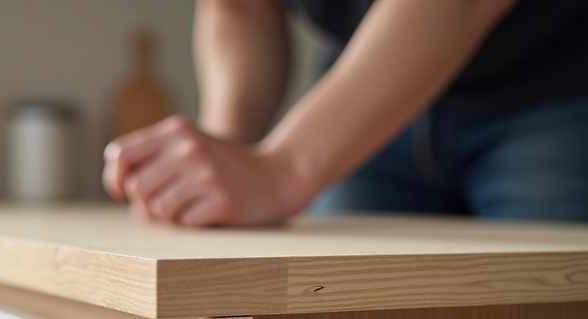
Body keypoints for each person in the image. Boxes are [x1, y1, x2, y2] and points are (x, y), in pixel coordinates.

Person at [102, 0, 588, 226]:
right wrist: (221, 161)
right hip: (355, 113)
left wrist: (283, 169)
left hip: (552, 92)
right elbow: (242, 8)